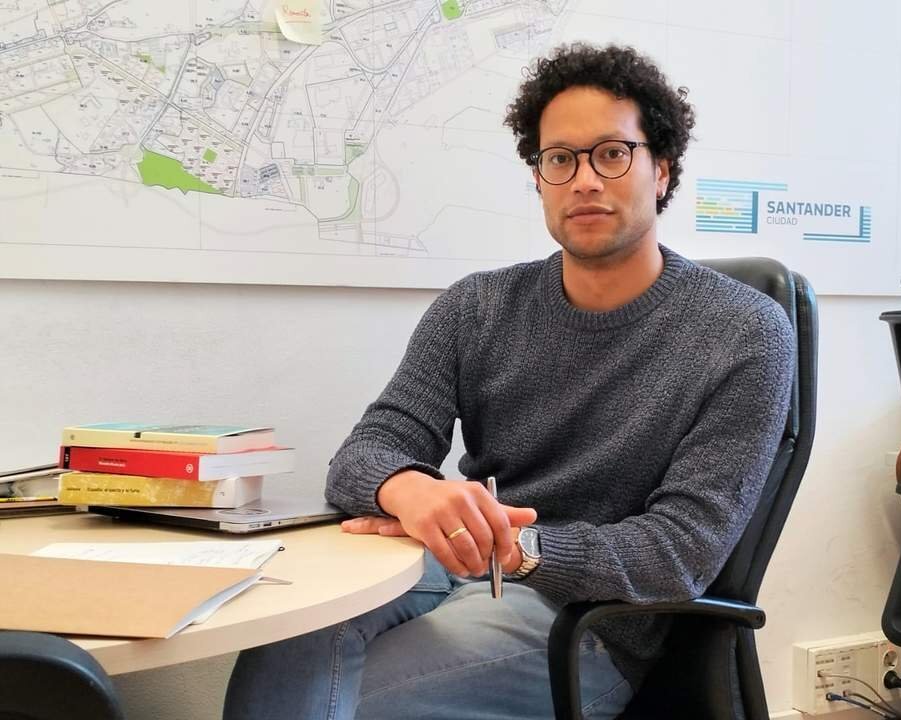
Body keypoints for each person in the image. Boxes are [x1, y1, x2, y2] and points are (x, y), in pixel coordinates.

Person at [223, 42, 795, 720]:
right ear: (539, 179)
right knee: (286, 636)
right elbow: (362, 456)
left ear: (662, 170)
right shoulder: (478, 306)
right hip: (445, 568)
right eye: (560, 159)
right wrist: (411, 492)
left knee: (346, 703)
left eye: (612, 154)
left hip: (584, 621)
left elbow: (679, 552)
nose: (584, 180)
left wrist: (513, 547)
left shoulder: (744, 330)